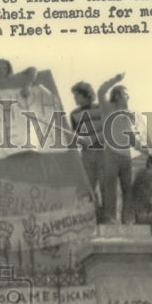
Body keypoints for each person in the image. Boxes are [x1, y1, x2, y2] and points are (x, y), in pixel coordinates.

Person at [97, 74, 140, 224]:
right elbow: (101, 92)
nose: (128, 98)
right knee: (110, 189)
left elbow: (133, 140)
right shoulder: (109, 108)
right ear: (117, 96)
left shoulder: (128, 116)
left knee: (128, 189)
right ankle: (110, 219)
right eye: (126, 95)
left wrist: (149, 151)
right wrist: (114, 80)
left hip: (126, 157)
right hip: (111, 154)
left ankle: (127, 219)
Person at [69, 81, 106, 215]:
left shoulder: (101, 108)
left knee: (105, 187)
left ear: (86, 95)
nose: (74, 98)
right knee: (87, 187)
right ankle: (90, 216)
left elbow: (109, 130)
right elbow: (76, 134)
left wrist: (93, 138)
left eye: (77, 95)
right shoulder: (74, 114)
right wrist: (76, 138)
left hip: (104, 152)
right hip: (87, 153)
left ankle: (106, 218)